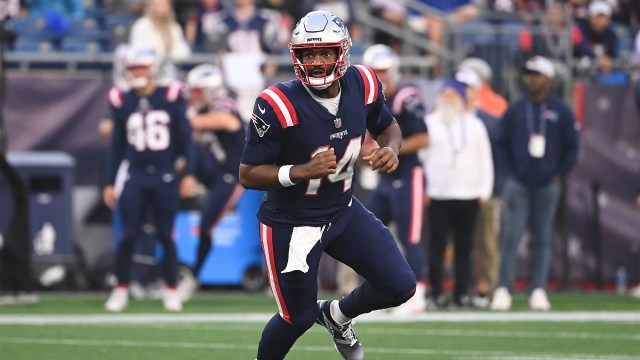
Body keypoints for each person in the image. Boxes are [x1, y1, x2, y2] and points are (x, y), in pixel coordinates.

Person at [239, 11, 416, 360]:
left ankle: (336, 315)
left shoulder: (364, 83)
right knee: (296, 318)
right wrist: (300, 171)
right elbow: (248, 173)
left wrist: (391, 149)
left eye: (324, 53)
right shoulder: (277, 103)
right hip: (291, 222)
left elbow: (388, 126)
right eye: (308, 54)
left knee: (400, 285)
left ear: (342, 53)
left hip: (342, 210)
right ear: (296, 56)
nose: (317, 62)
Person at [102, 46, 198, 313]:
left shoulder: (170, 96)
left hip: (166, 175)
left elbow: (186, 139)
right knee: (128, 235)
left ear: (153, 69)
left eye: (140, 68)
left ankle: (170, 288)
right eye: (132, 69)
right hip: (135, 175)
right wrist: (110, 182)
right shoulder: (122, 100)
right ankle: (121, 288)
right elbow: (117, 146)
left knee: (166, 236)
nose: (135, 74)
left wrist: (189, 173)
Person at [490, 55, 579, 311]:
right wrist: (508, 172)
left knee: (542, 238)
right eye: (529, 74)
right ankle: (504, 287)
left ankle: (538, 288)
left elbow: (572, 147)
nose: (532, 79)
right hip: (518, 182)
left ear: (549, 79)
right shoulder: (516, 108)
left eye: (537, 74)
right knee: (512, 236)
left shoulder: (561, 111)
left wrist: (559, 173)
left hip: (547, 183)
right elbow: (501, 142)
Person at [362, 44, 430, 314]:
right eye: (375, 72)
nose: (380, 78)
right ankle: (382, 290)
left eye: (384, 72)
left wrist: (389, 149)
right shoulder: (367, 98)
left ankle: (419, 294)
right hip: (384, 178)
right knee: (370, 233)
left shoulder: (405, 97)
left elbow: (424, 138)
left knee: (409, 236)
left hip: (408, 174)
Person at [420, 78, 494, 308]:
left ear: (463, 98)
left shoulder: (475, 125)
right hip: (438, 194)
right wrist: (424, 189)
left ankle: (461, 293)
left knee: (465, 247)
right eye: (446, 93)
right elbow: (420, 161)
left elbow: (486, 160)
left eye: (454, 93)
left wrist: (484, 191)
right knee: (437, 247)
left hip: (469, 195)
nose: (449, 97)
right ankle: (437, 293)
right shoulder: (429, 123)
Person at [177, 63, 246, 302]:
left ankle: (193, 276)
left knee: (206, 225)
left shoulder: (223, 105)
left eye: (198, 91)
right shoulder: (198, 111)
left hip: (233, 176)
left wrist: (179, 118)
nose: (193, 95)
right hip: (214, 172)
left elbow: (224, 121)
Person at [455, 68, 508, 307]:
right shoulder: (443, 118)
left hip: (482, 190)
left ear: (477, 90)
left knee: (486, 242)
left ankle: (491, 288)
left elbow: (496, 159)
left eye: (469, 87)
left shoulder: (490, 122)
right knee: (455, 244)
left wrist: (490, 190)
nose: (464, 92)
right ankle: (459, 289)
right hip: (452, 193)